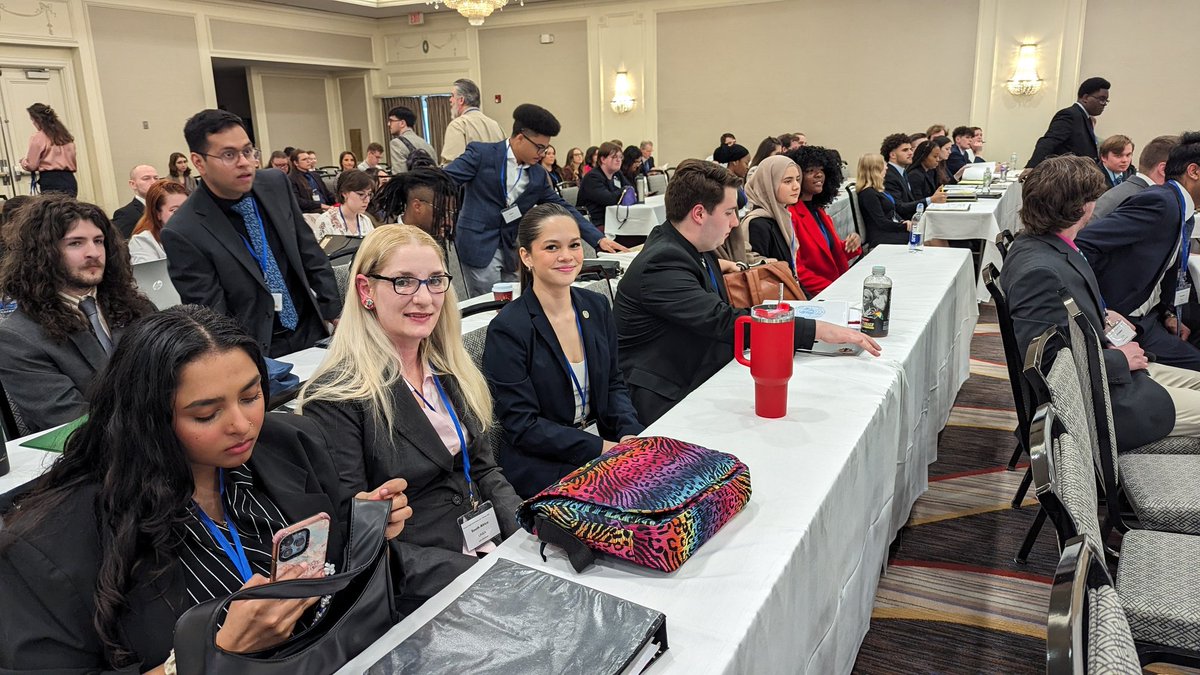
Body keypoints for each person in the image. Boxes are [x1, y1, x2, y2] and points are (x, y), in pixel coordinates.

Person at [0, 305, 412, 673]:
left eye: (251, 396)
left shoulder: (289, 444)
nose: (242, 424)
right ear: (149, 419)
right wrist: (209, 655)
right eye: (206, 413)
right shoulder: (47, 547)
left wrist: (364, 528)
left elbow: (335, 568)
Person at [298, 224, 522, 608]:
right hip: (423, 582)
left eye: (435, 280)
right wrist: (479, 576)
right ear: (366, 291)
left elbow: (484, 471)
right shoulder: (338, 397)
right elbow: (359, 537)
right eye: (404, 282)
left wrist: (525, 533)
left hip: (490, 547)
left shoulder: (448, 367)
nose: (424, 298)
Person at [614, 160, 880, 424]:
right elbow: (723, 320)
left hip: (698, 368)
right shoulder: (662, 263)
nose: (734, 223)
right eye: (729, 212)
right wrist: (816, 330)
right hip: (664, 395)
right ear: (698, 214)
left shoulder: (689, 247)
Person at [1000, 155, 1200, 450]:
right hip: (1103, 404)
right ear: (1083, 207)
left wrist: (1103, 314)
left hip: (1108, 376)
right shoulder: (1040, 271)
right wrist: (1120, 358)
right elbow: (1049, 367)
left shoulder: (1044, 246)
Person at [483, 204, 644, 498]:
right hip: (545, 464)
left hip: (604, 445)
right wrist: (601, 449)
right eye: (552, 247)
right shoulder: (508, 329)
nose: (567, 256)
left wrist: (629, 433)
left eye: (573, 245)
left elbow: (613, 383)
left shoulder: (595, 306)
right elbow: (523, 426)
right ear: (526, 256)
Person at [163, 109, 343, 358]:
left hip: (311, 329)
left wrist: (332, 310)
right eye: (229, 155)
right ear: (198, 162)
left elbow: (308, 250)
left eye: (247, 151)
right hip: (257, 349)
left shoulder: (275, 185)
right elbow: (213, 316)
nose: (244, 162)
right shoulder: (184, 230)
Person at [0, 195, 154, 433]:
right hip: (97, 459)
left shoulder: (136, 307)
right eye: (76, 243)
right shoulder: (18, 338)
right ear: (44, 254)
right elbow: (74, 424)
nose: (93, 252)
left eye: (99, 241)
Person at [443, 103, 624, 297]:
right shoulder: (482, 154)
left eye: (545, 149)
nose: (542, 154)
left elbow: (561, 207)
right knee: (489, 306)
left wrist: (598, 238)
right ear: (520, 138)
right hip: (478, 243)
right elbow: (443, 180)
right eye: (539, 148)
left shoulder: (537, 175)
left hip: (510, 248)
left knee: (519, 300)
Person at [1076, 131, 1200, 371]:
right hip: (1125, 321)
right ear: (1193, 172)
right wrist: (1100, 310)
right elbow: (1083, 244)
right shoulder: (1160, 203)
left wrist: (1168, 313)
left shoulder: (1182, 208)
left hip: (1151, 316)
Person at [788, 146, 861, 295]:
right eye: (810, 171)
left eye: (821, 170)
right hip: (817, 294)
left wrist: (851, 244)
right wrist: (836, 290)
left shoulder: (818, 210)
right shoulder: (791, 214)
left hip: (832, 287)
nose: (819, 175)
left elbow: (828, 253)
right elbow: (798, 270)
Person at [1027, 76, 1111, 168]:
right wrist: (1032, 167)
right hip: (1067, 175)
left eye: (1106, 100)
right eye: (1102, 99)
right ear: (1085, 98)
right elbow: (1049, 141)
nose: (1104, 104)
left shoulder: (1085, 118)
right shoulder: (1070, 115)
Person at [1092, 135, 1179, 221]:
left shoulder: (1132, 174)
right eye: (1118, 156)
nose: (1125, 160)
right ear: (1103, 157)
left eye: (1128, 155)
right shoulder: (1092, 179)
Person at [372, 167, 460, 247]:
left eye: (452, 214)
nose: (449, 222)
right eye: (442, 213)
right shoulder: (384, 245)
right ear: (417, 206)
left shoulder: (448, 243)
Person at [743, 155, 804, 270]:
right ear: (769, 184)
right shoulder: (757, 224)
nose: (796, 186)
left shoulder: (782, 216)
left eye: (797, 179)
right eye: (787, 181)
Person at [440, 78, 505, 164]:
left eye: (452, 96)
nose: (450, 100)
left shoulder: (458, 126)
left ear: (461, 100)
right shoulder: (496, 126)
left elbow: (453, 167)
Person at [881, 132, 945, 219]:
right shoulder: (889, 176)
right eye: (905, 150)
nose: (911, 153)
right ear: (892, 155)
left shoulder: (901, 172)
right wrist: (930, 200)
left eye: (911, 149)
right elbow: (899, 207)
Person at [20, 103, 77, 196]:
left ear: (38, 120)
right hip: (69, 179)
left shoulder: (38, 137)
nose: (33, 123)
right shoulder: (66, 137)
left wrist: (23, 162)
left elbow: (32, 165)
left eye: (32, 120)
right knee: (69, 209)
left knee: (53, 209)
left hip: (51, 180)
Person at [856, 153, 910, 247]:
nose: (886, 168)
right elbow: (881, 222)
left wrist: (903, 221)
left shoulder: (878, 190)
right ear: (875, 169)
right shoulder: (868, 194)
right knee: (923, 238)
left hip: (890, 231)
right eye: (883, 165)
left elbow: (892, 212)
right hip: (881, 237)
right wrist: (904, 227)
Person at [129, 179, 189, 264]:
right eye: (174, 210)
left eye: (186, 208)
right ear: (157, 214)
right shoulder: (143, 241)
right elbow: (151, 275)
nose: (184, 214)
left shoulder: (196, 234)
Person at [576, 142, 629, 233]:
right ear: (603, 159)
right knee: (632, 234)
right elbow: (609, 200)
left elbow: (631, 190)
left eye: (620, 157)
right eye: (614, 157)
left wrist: (626, 191)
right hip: (595, 222)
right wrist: (624, 191)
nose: (618, 160)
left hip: (615, 219)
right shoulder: (592, 177)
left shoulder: (617, 173)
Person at [312, 169, 377, 240]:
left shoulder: (366, 221)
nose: (367, 200)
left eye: (369, 194)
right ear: (344, 193)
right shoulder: (325, 221)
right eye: (361, 194)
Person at [111, 164, 159, 239]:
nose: (153, 182)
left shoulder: (164, 208)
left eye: (156, 178)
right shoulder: (126, 214)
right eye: (146, 178)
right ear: (133, 184)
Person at [388, 106, 436, 173]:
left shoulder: (396, 143)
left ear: (402, 123)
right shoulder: (427, 144)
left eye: (391, 121)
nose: (388, 124)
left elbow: (400, 175)